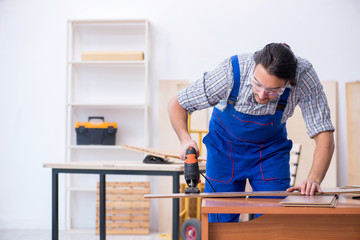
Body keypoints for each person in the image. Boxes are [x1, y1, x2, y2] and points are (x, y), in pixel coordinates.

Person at [168, 43, 335, 222]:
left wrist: (314, 179)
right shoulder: (231, 71)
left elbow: (324, 133)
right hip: (225, 149)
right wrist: (185, 140)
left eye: (273, 91)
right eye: (257, 84)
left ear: (288, 82)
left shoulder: (304, 76)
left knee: (273, 219)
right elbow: (177, 104)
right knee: (220, 220)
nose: (262, 95)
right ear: (254, 67)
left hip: (270, 151)